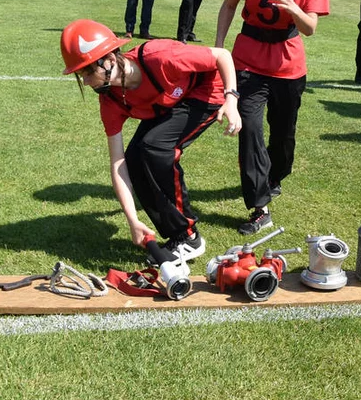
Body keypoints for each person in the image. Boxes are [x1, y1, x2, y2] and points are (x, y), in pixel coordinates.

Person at [59, 19, 241, 263]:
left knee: (154, 146)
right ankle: (178, 237)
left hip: (208, 91)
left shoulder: (161, 57)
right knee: (135, 157)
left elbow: (222, 55)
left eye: (88, 71)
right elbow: (118, 163)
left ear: (110, 60)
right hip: (174, 101)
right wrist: (132, 220)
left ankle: (188, 238)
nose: (87, 81)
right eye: (81, 75)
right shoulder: (111, 101)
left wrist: (232, 99)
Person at [216, 0, 330, 235]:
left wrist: (293, 8)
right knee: (249, 128)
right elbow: (229, 5)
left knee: (283, 136)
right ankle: (259, 206)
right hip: (248, 60)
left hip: (288, 64)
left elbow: (310, 27)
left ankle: (274, 175)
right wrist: (219, 49)